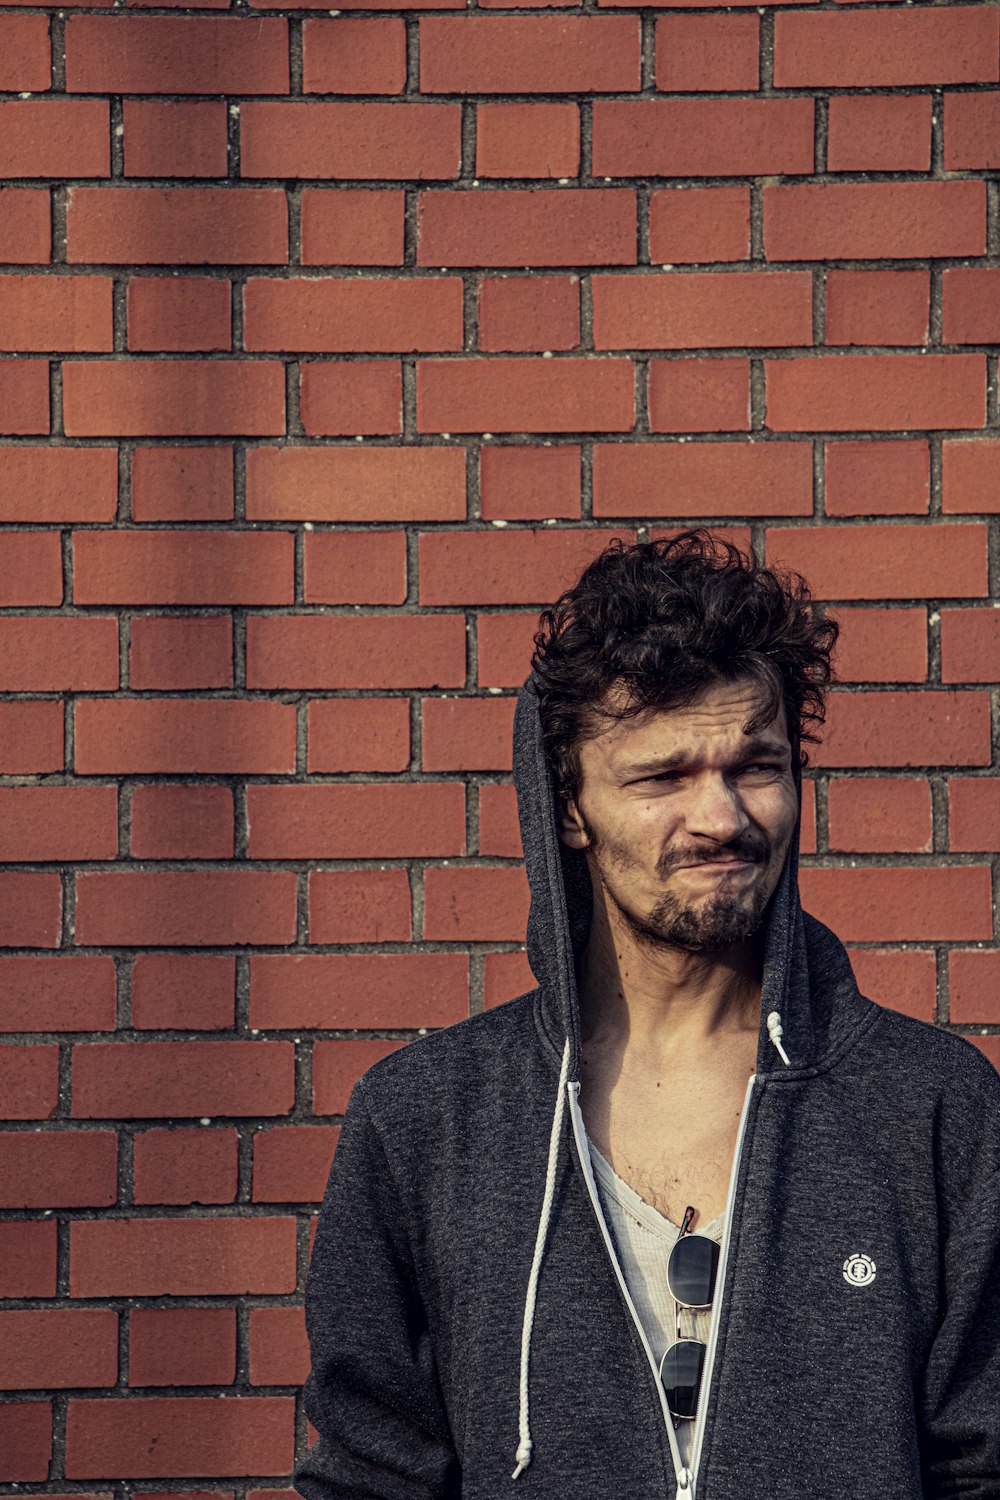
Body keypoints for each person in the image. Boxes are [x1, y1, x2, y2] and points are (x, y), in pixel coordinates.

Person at [296, 531, 1000, 1500]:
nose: (722, 818)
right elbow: (370, 1481)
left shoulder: (933, 1113)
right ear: (571, 807)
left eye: (754, 765)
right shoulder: (425, 1127)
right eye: (663, 777)